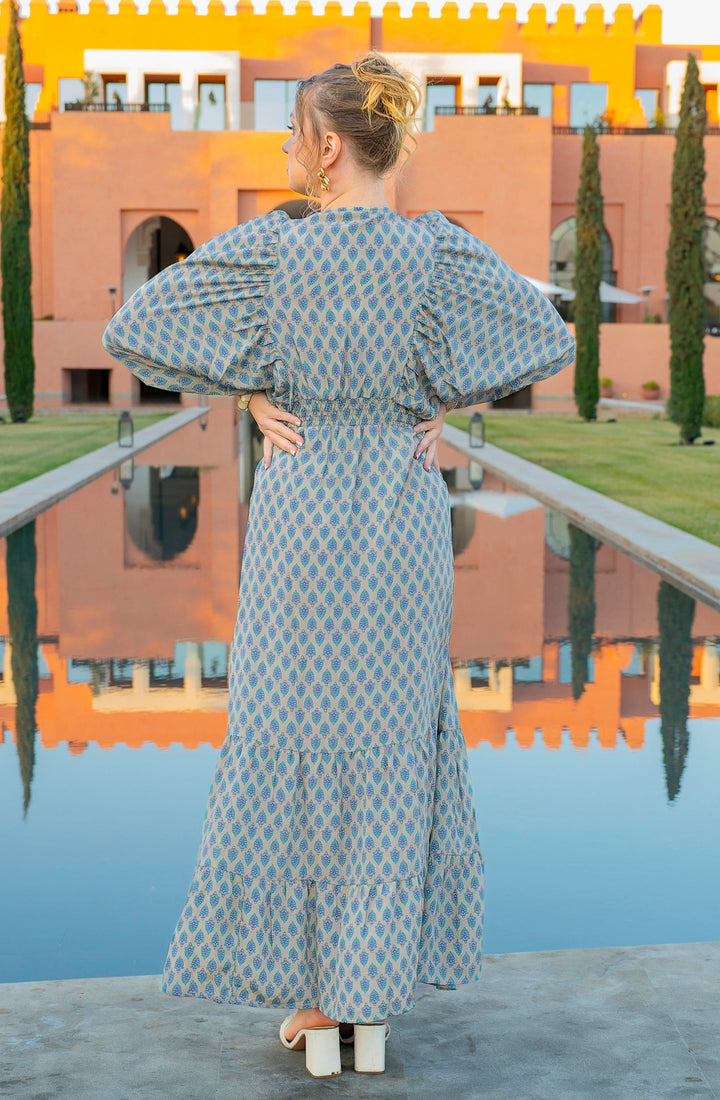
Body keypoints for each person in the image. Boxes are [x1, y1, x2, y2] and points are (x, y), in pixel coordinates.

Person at [102, 51, 575, 1080]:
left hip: (303, 517)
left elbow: (135, 329)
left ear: (325, 149)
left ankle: (316, 1004)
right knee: (392, 748)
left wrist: (246, 389)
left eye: (291, 134)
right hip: (403, 520)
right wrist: (444, 398)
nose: (285, 148)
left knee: (294, 740)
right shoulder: (436, 251)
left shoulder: (276, 249)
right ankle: (370, 1001)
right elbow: (545, 338)